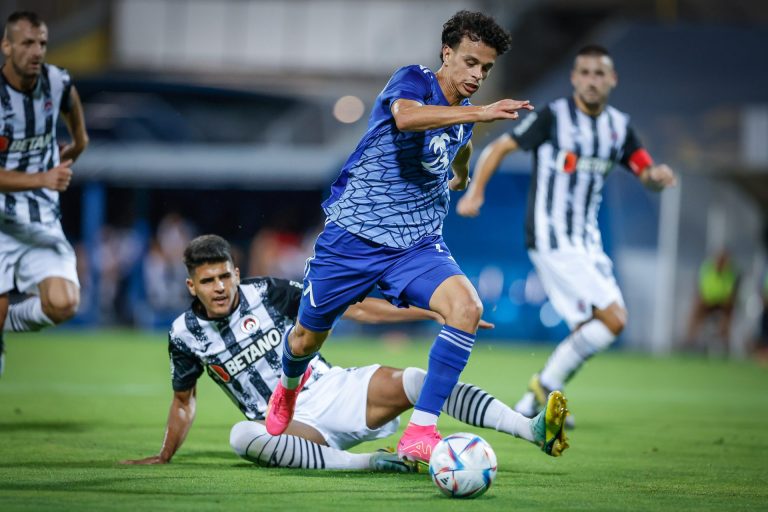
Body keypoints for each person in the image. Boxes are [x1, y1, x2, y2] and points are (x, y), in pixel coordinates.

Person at [265, 10, 539, 464]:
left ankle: (421, 431)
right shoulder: (413, 80)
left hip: (415, 245)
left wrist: (461, 173)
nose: (478, 75)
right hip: (353, 239)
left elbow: (462, 143)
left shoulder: (463, 118)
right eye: (470, 62)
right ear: (446, 53)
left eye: (486, 69)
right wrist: (484, 112)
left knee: (466, 308)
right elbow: (408, 119)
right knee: (304, 341)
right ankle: (289, 387)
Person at [121, 235, 569, 470]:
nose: (219, 287)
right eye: (208, 281)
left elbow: (353, 308)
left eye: (225, 276)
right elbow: (184, 401)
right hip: (290, 426)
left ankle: (531, 429)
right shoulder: (184, 334)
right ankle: (371, 463)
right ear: (191, 286)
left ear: (236, 273)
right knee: (242, 437)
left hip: (335, 389)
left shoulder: (269, 292)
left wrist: (434, 312)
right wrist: (165, 454)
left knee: (417, 380)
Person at [456, 45, 677, 422]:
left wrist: (657, 177)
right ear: (574, 78)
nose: (591, 80)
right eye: (585, 73)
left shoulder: (618, 127)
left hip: (588, 241)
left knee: (588, 328)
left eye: (599, 73)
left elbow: (645, 172)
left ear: (612, 79)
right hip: (552, 237)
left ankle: (536, 401)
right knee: (615, 319)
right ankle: (542, 387)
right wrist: (475, 190)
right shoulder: (553, 117)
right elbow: (499, 148)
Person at [0, 11, 88, 376]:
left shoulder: (57, 81)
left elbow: (79, 131)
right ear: (7, 46)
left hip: (40, 218)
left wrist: (76, 148)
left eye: (42, 43)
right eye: (27, 43)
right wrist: (43, 178)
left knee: (65, 303)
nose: (37, 51)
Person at [684, 251, 739, 353]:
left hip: (722, 303)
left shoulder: (730, 273)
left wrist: (727, 299)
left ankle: (724, 342)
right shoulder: (706, 269)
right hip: (707, 301)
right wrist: (706, 298)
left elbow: (731, 291)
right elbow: (701, 288)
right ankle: (690, 341)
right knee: (696, 310)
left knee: (729, 311)